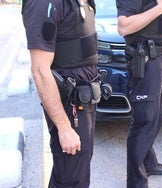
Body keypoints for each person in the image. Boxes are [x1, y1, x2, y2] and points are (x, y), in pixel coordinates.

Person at [22, 0, 99, 187]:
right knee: (72, 179)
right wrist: (64, 127)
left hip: (84, 99)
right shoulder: (43, 3)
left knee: (73, 173)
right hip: (69, 104)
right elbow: (40, 70)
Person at [116, 0, 162, 187]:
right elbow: (123, 27)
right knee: (144, 119)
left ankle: (149, 163)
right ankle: (136, 182)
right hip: (146, 60)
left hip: (161, 57)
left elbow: (154, 15)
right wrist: (160, 8)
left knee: (156, 116)